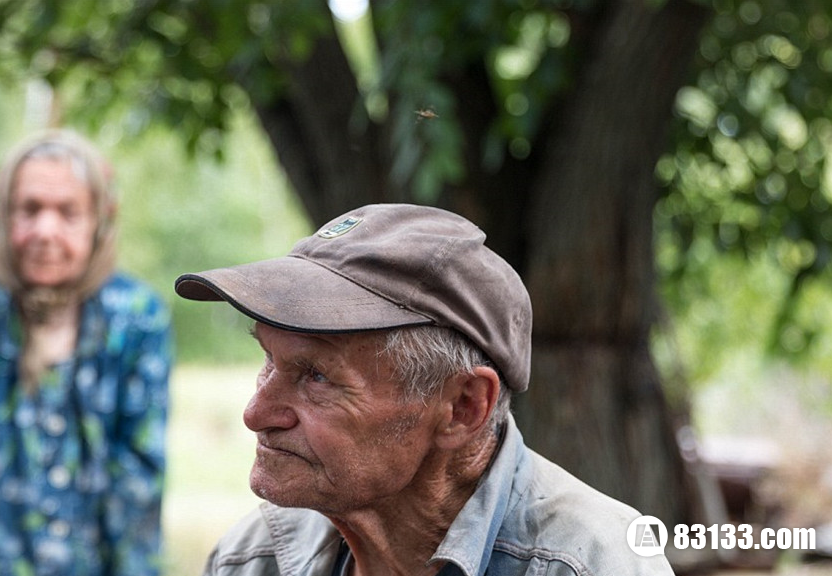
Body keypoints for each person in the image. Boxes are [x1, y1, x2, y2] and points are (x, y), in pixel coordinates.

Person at [174, 203, 676, 576]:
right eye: (268, 361)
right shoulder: (256, 559)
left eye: (317, 376)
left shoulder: (591, 563)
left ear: (462, 408)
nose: (256, 412)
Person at [0, 129, 172, 576]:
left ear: (98, 222)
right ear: (4, 218)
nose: (45, 230)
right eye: (29, 210)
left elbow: (137, 490)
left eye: (68, 213)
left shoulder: (136, 319)